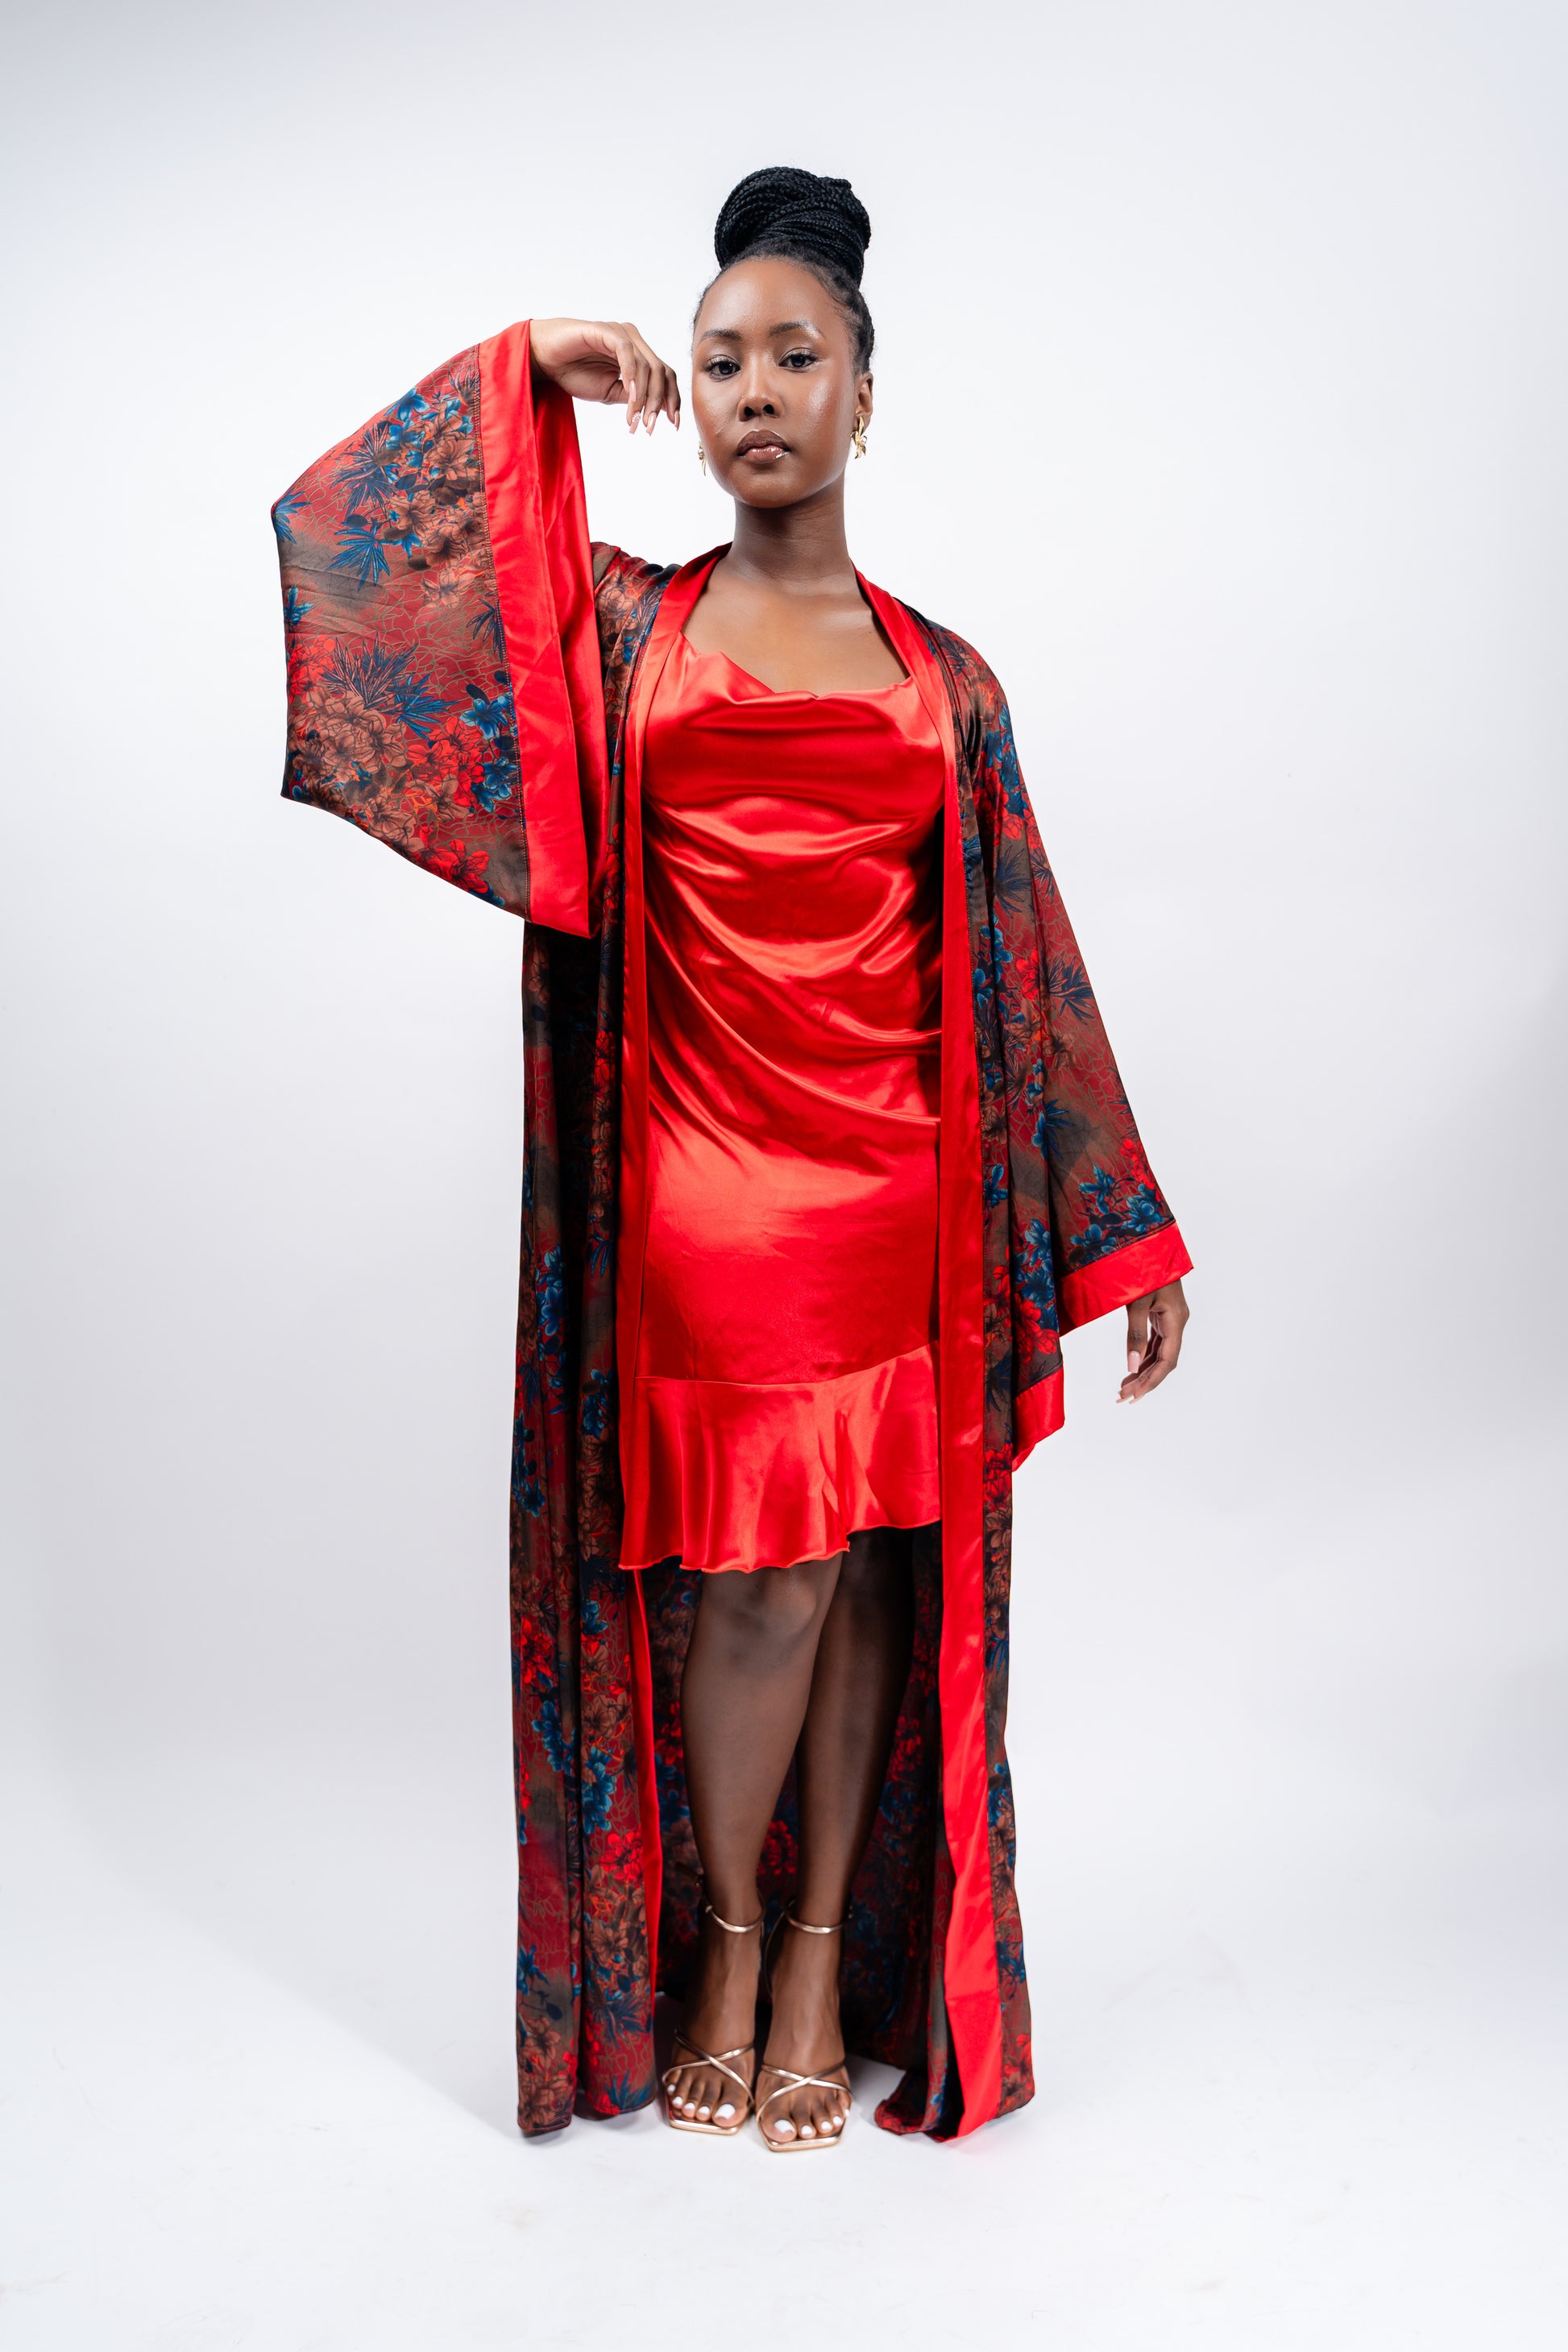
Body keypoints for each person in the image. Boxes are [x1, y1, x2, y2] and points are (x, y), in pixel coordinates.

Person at [273, 165, 1191, 2151]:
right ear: (684, 398)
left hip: (902, 1194)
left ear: (866, 391)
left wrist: (1123, 1229)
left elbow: (1022, 949)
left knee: (867, 1576)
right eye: (720, 360)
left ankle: (809, 1959)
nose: (756, 388)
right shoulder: (627, 630)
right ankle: (722, 1932)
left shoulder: (948, 679)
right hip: (704, 1187)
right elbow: (365, 559)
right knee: (763, 1578)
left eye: (794, 354)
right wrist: (531, 359)